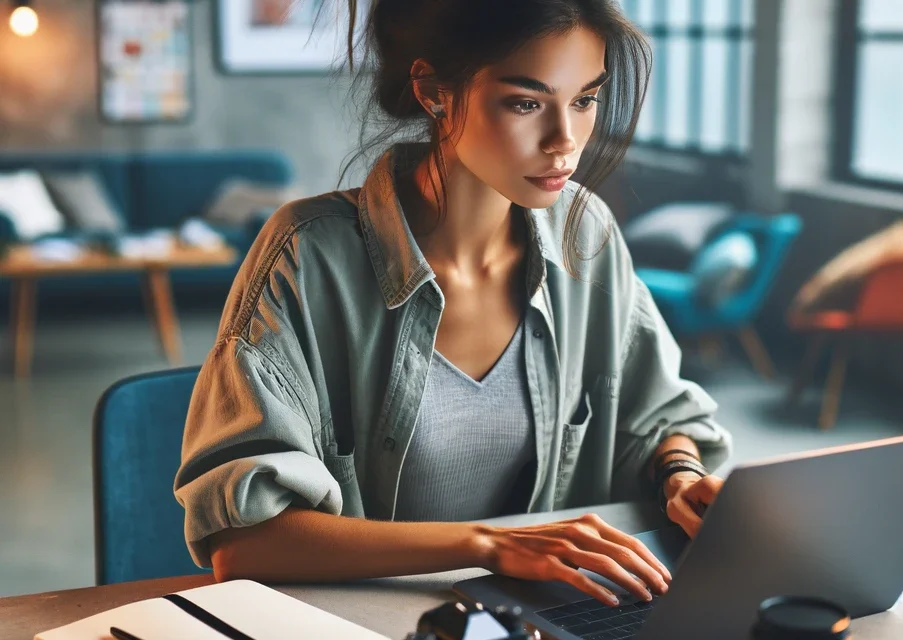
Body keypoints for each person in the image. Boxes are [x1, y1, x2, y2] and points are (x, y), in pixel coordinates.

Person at [174, 0, 733, 608]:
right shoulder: (306, 257)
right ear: (435, 92)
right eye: (526, 103)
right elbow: (242, 543)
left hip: (553, 617)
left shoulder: (586, 234)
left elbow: (661, 418)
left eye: (584, 99)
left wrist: (681, 474)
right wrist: (486, 545)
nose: (564, 141)